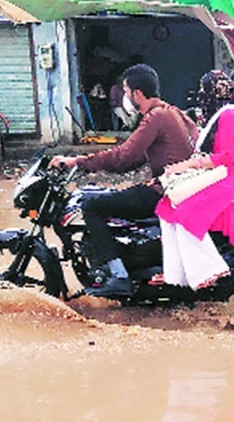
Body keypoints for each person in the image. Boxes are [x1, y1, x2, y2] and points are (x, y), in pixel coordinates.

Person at [49, 64, 198, 297]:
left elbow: (123, 156)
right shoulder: (173, 112)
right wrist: (93, 165)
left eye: (126, 91)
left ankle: (118, 275)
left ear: (137, 93)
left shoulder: (155, 117)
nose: (125, 97)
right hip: (179, 188)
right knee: (112, 197)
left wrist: (76, 161)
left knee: (91, 206)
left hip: (165, 191)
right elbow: (134, 159)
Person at [155, 70, 234, 290]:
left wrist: (187, 165)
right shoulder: (218, 116)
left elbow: (229, 157)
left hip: (231, 178)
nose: (201, 97)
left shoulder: (228, 116)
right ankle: (177, 275)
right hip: (217, 175)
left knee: (187, 214)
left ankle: (210, 270)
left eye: (203, 91)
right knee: (167, 208)